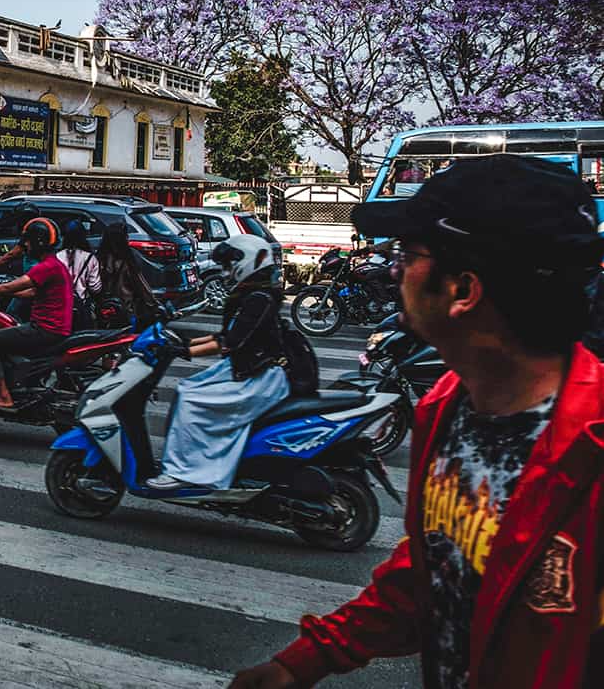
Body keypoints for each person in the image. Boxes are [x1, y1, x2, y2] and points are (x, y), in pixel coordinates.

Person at [229, 155, 604, 689]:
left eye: (409, 253)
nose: (395, 270)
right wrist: (304, 662)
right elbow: (437, 567)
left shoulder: (590, 449)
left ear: (463, 290)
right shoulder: (449, 403)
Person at [147, 233, 290, 493]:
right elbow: (223, 337)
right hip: (248, 371)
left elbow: (228, 343)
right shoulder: (254, 294)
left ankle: (183, 472)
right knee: (186, 389)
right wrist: (183, 345)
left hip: (260, 379)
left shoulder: (259, 298)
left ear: (249, 260)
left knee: (190, 401)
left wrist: (184, 350)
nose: (226, 272)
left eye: (228, 265)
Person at [0, 217, 73, 410]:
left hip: (43, 330)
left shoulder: (46, 267)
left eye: (27, 241)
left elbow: (10, 286)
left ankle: (4, 396)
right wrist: (2, 290)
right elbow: (32, 292)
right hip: (55, 329)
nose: (25, 245)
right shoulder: (56, 265)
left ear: (38, 242)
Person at [0, 201, 42, 320]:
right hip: (32, 279)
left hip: (31, 279)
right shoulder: (39, 231)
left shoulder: (30, 232)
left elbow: (12, 254)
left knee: (12, 312)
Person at [96, 221, 160, 327]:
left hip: (104, 310)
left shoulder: (98, 259)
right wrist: (154, 304)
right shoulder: (127, 261)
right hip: (125, 310)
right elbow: (141, 286)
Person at [59, 220, 102, 330]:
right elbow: (95, 288)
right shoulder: (90, 258)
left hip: (60, 308)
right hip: (81, 308)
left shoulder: (57, 257)